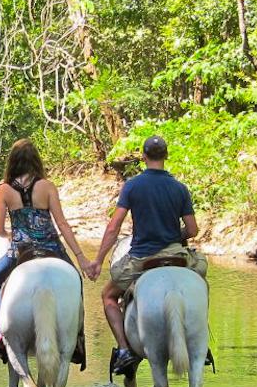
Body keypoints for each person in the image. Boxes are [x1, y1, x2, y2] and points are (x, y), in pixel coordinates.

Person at [87, 135, 207, 374]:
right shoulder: (179, 188)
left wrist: (98, 260)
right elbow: (193, 229)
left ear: (143, 157)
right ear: (166, 156)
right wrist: (175, 234)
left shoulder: (132, 186)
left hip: (142, 258)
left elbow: (114, 228)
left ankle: (124, 350)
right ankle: (200, 341)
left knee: (108, 296)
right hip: (176, 253)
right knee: (201, 279)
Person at [0, 138, 94, 360]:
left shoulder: (3, 190)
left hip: (20, 251)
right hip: (52, 247)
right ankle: (77, 337)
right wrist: (81, 258)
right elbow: (62, 224)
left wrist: (15, 234)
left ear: (12, 161)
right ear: (36, 161)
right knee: (76, 281)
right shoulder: (47, 186)